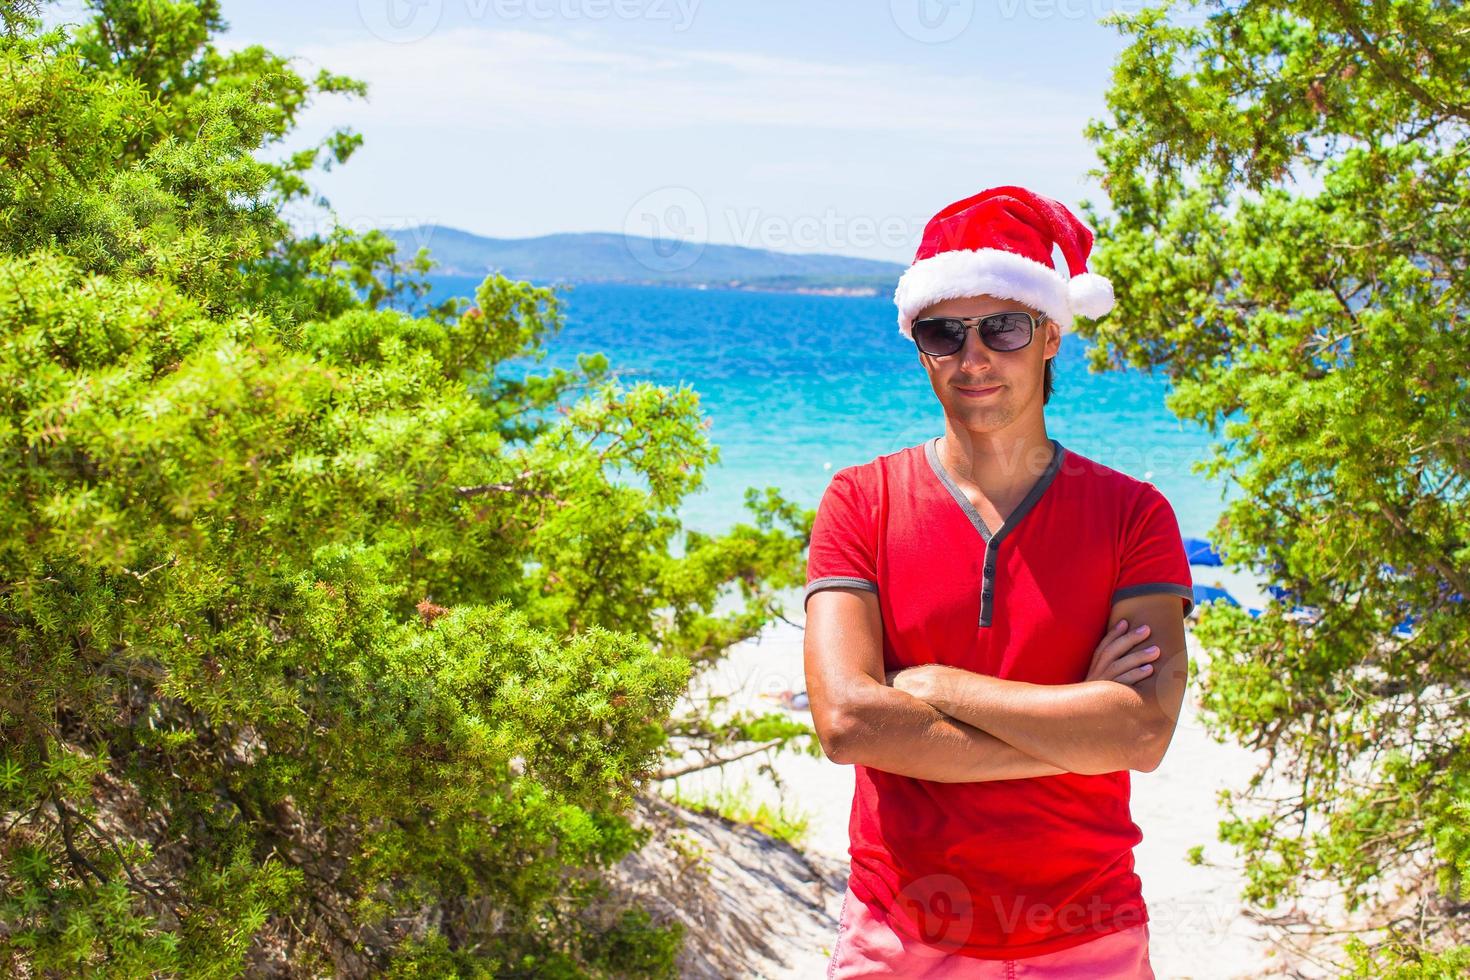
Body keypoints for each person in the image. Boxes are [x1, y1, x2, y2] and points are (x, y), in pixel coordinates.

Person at [803, 185, 1194, 977]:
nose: (973, 357)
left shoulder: (1135, 515)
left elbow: (1143, 733)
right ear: (921, 348)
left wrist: (936, 684)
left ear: (1050, 335)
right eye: (944, 333)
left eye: (1003, 327)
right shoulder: (860, 501)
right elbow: (848, 722)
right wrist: (1075, 734)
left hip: (1090, 938)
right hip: (898, 938)